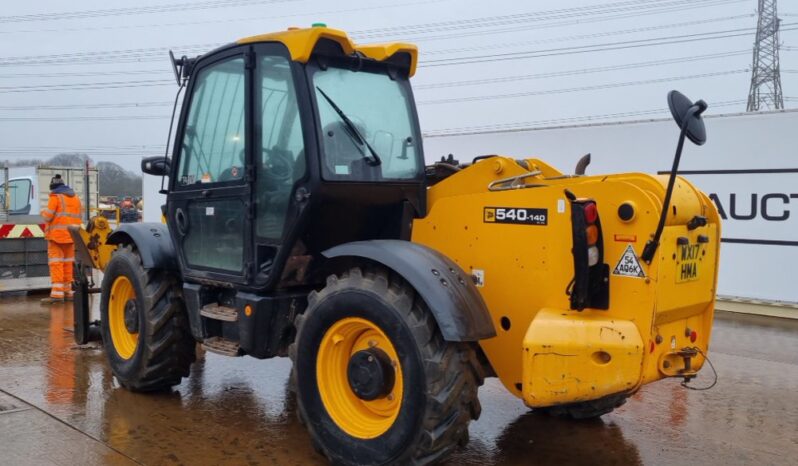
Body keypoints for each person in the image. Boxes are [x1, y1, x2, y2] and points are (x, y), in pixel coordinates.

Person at [40, 174, 82, 304]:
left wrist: (42, 212)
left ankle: (57, 295)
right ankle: (67, 292)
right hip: (71, 236)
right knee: (68, 264)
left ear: (53, 187)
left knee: (56, 264)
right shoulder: (75, 198)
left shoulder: (55, 197)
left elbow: (48, 217)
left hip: (56, 237)